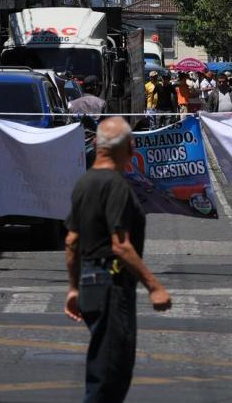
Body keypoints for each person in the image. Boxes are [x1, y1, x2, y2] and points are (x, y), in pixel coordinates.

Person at [64, 116, 172, 402]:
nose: (135, 147)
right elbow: (121, 246)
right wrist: (154, 286)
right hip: (110, 286)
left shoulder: (84, 183)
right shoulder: (116, 186)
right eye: (131, 142)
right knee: (110, 377)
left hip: (90, 284)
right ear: (123, 148)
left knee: (103, 367)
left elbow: (71, 241)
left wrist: (75, 288)